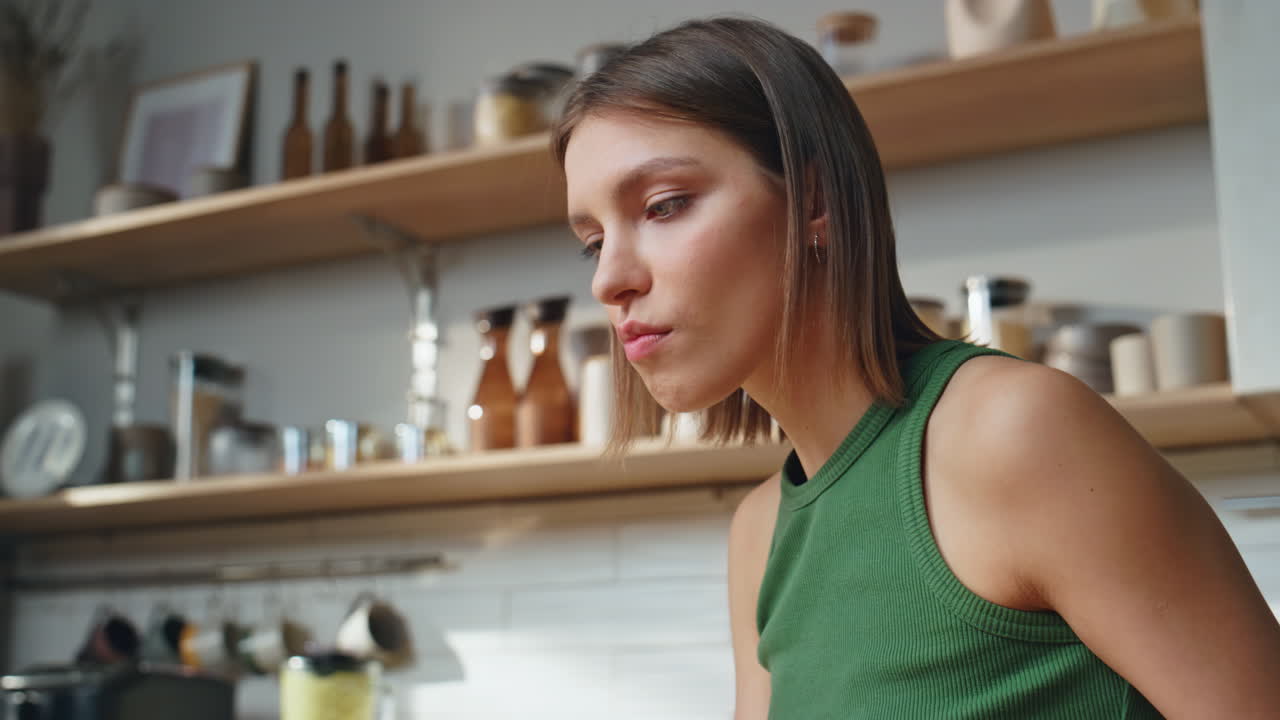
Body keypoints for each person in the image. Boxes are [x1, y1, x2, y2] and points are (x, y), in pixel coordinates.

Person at [552, 16, 1280, 719]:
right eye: (592, 241)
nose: (608, 279)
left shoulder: (1015, 433)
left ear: (814, 200)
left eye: (664, 204)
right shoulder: (761, 531)